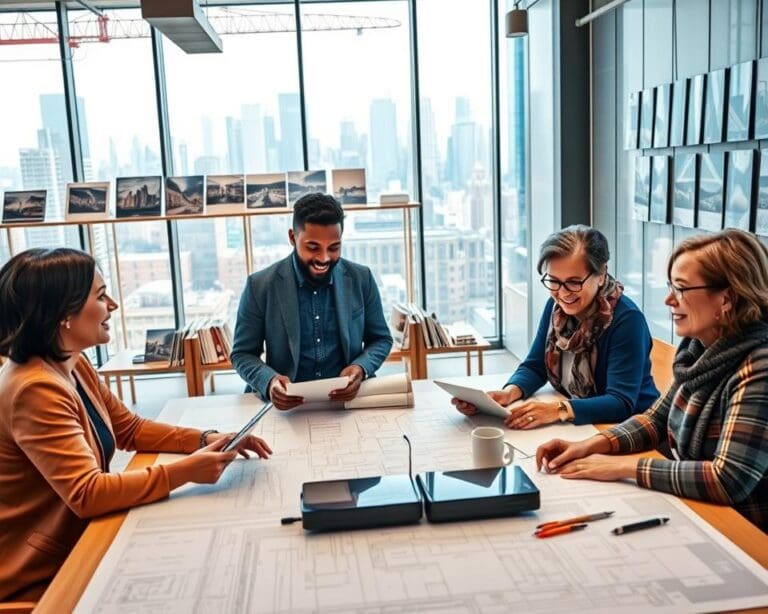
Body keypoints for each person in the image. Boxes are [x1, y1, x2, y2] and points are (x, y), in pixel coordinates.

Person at [0, 248, 273, 602]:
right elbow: (87, 493)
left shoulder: (71, 362)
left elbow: (129, 429)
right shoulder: (34, 389)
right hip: (44, 573)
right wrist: (187, 472)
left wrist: (206, 438)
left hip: (79, 541)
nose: (113, 305)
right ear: (63, 314)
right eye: (101, 296)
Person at [536, 229, 768, 530]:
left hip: (744, 530)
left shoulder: (759, 369)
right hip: (703, 511)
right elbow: (656, 420)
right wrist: (590, 445)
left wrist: (624, 466)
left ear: (726, 298)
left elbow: (728, 480)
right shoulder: (701, 349)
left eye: (681, 289)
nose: (669, 299)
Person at [453, 225, 658, 427]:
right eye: (554, 281)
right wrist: (508, 393)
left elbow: (620, 402)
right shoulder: (555, 308)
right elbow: (536, 366)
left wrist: (557, 410)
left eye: (574, 282)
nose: (563, 292)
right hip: (584, 424)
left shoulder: (627, 320)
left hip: (634, 430)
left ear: (601, 274)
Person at [231, 192, 393, 410]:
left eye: (333, 247)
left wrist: (361, 368)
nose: (324, 258)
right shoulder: (259, 286)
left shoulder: (361, 278)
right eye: (313, 247)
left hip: (348, 404)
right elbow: (242, 354)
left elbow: (381, 339)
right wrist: (269, 382)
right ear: (292, 237)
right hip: (286, 410)